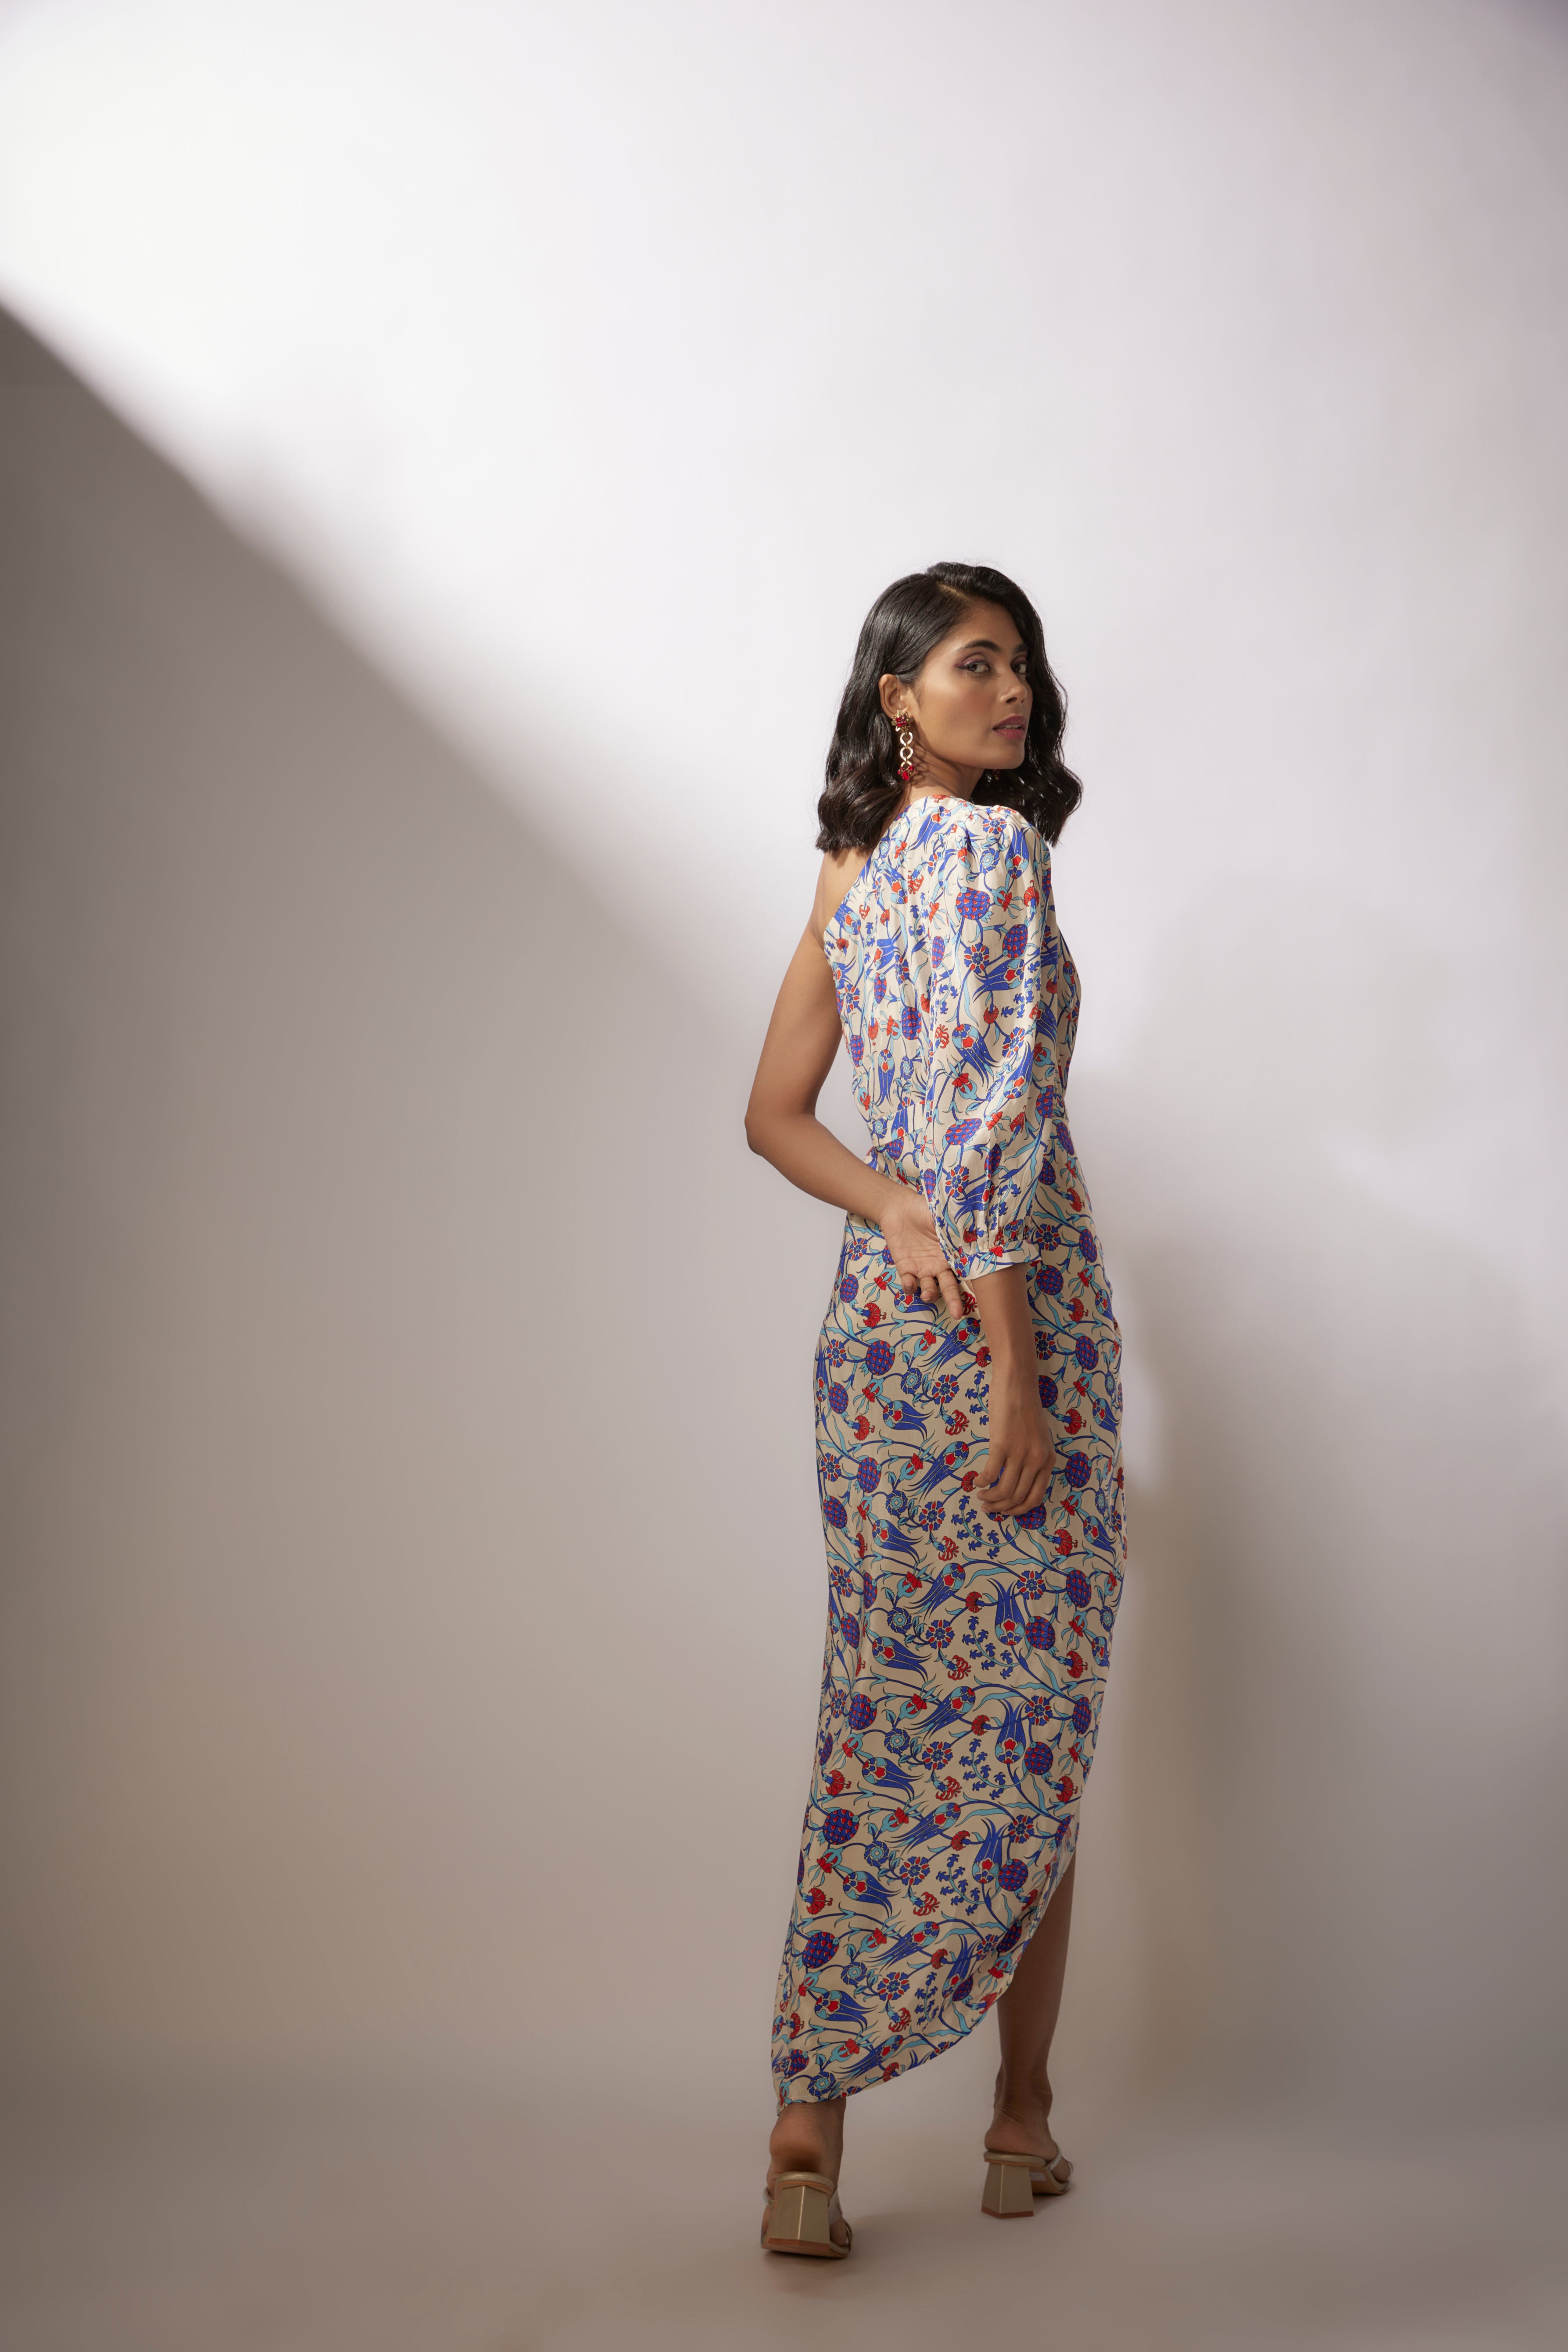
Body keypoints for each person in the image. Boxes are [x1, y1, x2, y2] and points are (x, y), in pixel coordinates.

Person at [744, 562, 1124, 2257]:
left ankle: (805, 2138)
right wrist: (1019, 1370)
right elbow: (990, 1135)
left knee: (881, 1718)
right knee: (1033, 1729)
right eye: (977, 663)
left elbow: (776, 1115)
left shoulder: (855, 869)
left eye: (1023, 662)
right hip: (1007, 1328)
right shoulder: (995, 851)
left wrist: (884, 1205)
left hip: (877, 1346)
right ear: (898, 696)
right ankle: (1019, 2123)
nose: (1014, 687)